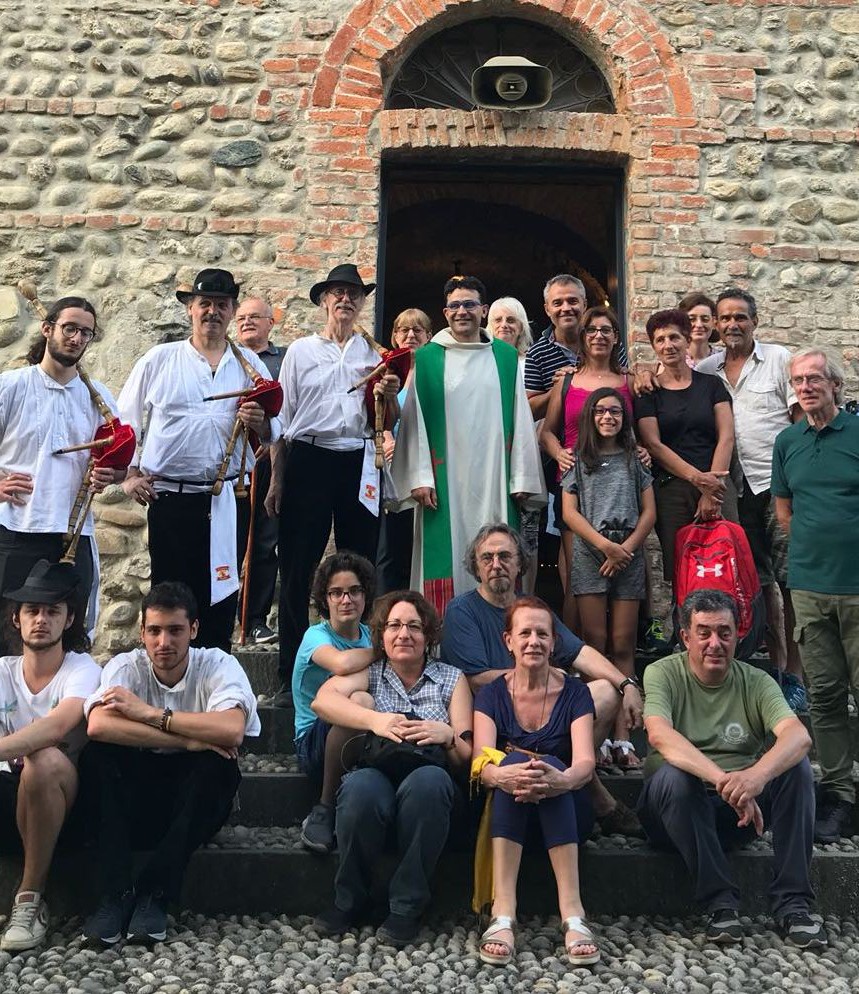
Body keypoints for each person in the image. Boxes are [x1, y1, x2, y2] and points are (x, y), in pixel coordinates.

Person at [638, 589, 825, 949]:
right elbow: (660, 735)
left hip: (737, 815)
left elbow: (798, 736)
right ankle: (719, 903)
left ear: (738, 636)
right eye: (704, 632)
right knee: (677, 776)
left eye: (724, 632)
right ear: (685, 637)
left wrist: (756, 776)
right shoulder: (663, 673)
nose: (714, 643)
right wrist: (724, 780)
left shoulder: (756, 681)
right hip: (672, 812)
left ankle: (793, 903)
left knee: (798, 769)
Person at [81, 581, 260, 946]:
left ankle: (154, 893)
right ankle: (113, 895)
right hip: (136, 800)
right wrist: (190, 738)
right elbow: (99, 725)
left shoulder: (218, 665)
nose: (164, 643)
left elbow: (232, 730)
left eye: (175, 630)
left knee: (218, 766)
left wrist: (150, 714)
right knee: (97, 758)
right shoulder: (126, 667)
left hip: (191, 806)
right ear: (142, 633)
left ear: (193, 629)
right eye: (155, 631)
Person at [441, 523, 644, 834]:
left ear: (521, 563)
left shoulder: (533, 609)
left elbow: (580, 653)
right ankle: (592, 795)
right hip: (495, 722)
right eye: (488, 558)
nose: (497, 565)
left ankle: (566, 775)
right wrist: (542, 672)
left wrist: (626, 684)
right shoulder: (461, 610)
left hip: (545, 717)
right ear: (476, 567)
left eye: (505, 556)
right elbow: (477, 680)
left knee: (604, 691)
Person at [118, 269, 282, 653]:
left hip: (227, 498)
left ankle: (214, 684)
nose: (212, 312)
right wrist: (129, 474)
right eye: (204, 303)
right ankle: (168, 678)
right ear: (190, 308)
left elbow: (275, 430)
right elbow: (125, 421)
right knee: (170, 595)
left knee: (221, 596)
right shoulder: (160, 359)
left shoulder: (249, 366)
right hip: (170, 498)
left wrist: (262, 423)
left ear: (232, 311)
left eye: (221, 305)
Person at [311, 590, 472, 948]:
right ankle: (348, 899)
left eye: (414, 626)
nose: (404, 634)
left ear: (429, 635)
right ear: (381, 635)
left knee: (429, 783)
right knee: (358, 788)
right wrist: (376, 720)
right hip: (380, 771)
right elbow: (323, 700)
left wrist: (447, 736)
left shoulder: (451, 678)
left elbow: (468, 759)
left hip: (434, 783)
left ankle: (406, 905)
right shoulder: (372, 673)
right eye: (394, 626)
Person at [266, 264, 400, 694]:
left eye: (354, 294)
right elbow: (282, 423)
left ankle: (362, 665)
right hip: (308, 457)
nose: (345, 300)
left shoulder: (374, 354)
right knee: (298, 563)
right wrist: (277, 480)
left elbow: (388, 422)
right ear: (324, 300)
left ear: (362, 303)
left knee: (361, 562)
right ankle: (292, 671)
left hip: (358, 459)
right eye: (337, 293)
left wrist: (390, 395)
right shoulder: (301, 352)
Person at [391, 276, 544, 615]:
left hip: (494, 475)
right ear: (445, 313)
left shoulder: (504, 358)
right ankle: (445, 639)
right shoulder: (428, 359)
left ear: (483, 310)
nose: (462, 311)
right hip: (444, 481)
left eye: (470, 304)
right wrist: (419, 477)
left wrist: (520, 478)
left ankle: (500, 634)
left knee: (499, 548)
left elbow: (520, 417)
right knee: (445, 557)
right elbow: (414, 421)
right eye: (455, 306)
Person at [472, 596, 599, 966]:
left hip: (568, 812)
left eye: (542, 633)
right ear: (508, 640)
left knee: (551, 767)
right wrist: (504, 775)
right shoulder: (491, 695)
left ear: (554, 642)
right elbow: (481, 760)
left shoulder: (576, 693)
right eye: (524, 632)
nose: (534, 641)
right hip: (510, 818)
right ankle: (504, 913)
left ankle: (573, 913)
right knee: (513, 764)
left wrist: (559, 779)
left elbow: (585, 763)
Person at [0, 296, 122, 650]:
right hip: (16, 530)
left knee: (72, 641)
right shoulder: (11, 386)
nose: (77, 338)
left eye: (86, 332)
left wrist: (109, 475)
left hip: (73, 534)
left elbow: (120, 465)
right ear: (47, 328)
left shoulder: (98, 397)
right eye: (70, 328)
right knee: (7, 637)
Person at [772, 348, 859, 843]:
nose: (805, 387)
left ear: (835, 385)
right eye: (798, 380)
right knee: (824, 695)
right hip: (808, 586)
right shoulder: (789, 442)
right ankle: (840, 794)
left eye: (814, 379)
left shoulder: (856, 432)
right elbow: (784, 510)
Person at [696, 288, 801, 687]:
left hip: (778, 487)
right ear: (716, 326)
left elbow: (797, 421)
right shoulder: (707, 369)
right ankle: (772, 665)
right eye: (725, 319)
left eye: (740, 317)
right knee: (756, 582)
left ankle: (794, 674)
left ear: (755, 321)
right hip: (735, 492)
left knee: (790, 581)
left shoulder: (777, 359)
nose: (732, 325)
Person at [0, 559, 100, 952]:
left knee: (43, 760)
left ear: (69, 619)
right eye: (33, 611)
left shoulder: (83, 669)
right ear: (16, 619)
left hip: (65, 797)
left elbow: (59, 726)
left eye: (52, 611)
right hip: (9, 793)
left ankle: (29, 899)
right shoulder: (2, 671)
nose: (41, 619)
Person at [562, 388, 656, 769]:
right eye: (600, 411)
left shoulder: (635, 459)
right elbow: (570, 513)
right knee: (594, 644)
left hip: (628, 556)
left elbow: (648, 511)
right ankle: (595, 736)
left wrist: (626, 549)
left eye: (615, 411)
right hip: (591, 555)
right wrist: (605, 547)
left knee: (622, 643)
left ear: (624, 417)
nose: (607, 417)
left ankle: (623, 736)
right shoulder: (577, 461)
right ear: (590, 417)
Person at [539, 306, 635, 630]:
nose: (598, 336)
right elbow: (547, 431)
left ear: (616, 337)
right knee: (577, 582)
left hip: (621, 489)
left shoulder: (629, 381)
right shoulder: (566, 381)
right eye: (591, 330)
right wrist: (559, 454)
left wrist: (643, 454)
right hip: (576, 487)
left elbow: (640, 432)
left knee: (625, 573)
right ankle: (576, 660)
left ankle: (620, 654)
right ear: (582, 337)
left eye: (606, 330)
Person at [634, 308, 738, 595]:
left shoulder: (711, 385)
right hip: (672, 490)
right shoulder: (648, 392)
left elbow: (726, 435)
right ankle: (687, 636)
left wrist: (710, 489)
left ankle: (730, 636)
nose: (668, 345)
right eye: (660, 340)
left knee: (726, 563)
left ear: (686, 339)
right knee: (683, 569)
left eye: (674, 337)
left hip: (717, 485)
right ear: (653, 346)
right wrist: (697, 479)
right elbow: (653, 444)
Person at [293, 551, 375, 854]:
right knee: (361, 699)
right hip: (314, 742)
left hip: (366, 735)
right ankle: (325, 807)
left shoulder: (369, 635)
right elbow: (341, 663)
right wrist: (385, 651)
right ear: (325, 599)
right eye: (336, 593)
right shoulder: (315, 636)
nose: (346, 600)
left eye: (354, 591)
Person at [234, 296, 286, 645]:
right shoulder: (225, 359)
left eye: (256, 317)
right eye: (242, 317)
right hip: (227, 464)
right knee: (227, 542)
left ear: (271, 322)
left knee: (265, 543)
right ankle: (220, 614)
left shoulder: (283, 361)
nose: (247, 322)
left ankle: (254, 619)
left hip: (268, 460)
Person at [376, 309, 432, 596]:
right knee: (391, 546)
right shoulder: (386, 370)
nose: (411, 335)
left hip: (425, 466)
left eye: (418, 330)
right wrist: (386, 437)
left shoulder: (435, 371)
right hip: (392, 466)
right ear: (394, 337)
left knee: (421, 542)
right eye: (404, 330)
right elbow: (377, 411)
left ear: (429, 336)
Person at [486, 297, 538, 593]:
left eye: (512, 321)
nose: (505, 326)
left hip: (524, 458)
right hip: (490, 460)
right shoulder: (481, 363)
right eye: (498, 321)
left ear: (521, 328)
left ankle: (525, 599)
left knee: (526, 539)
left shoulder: (529, 363)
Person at [677, 292, 721, 368]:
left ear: (714, 323)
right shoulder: (674, 361)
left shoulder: (723, 361)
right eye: (692, 319)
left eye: (705, 319)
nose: (699, 325)